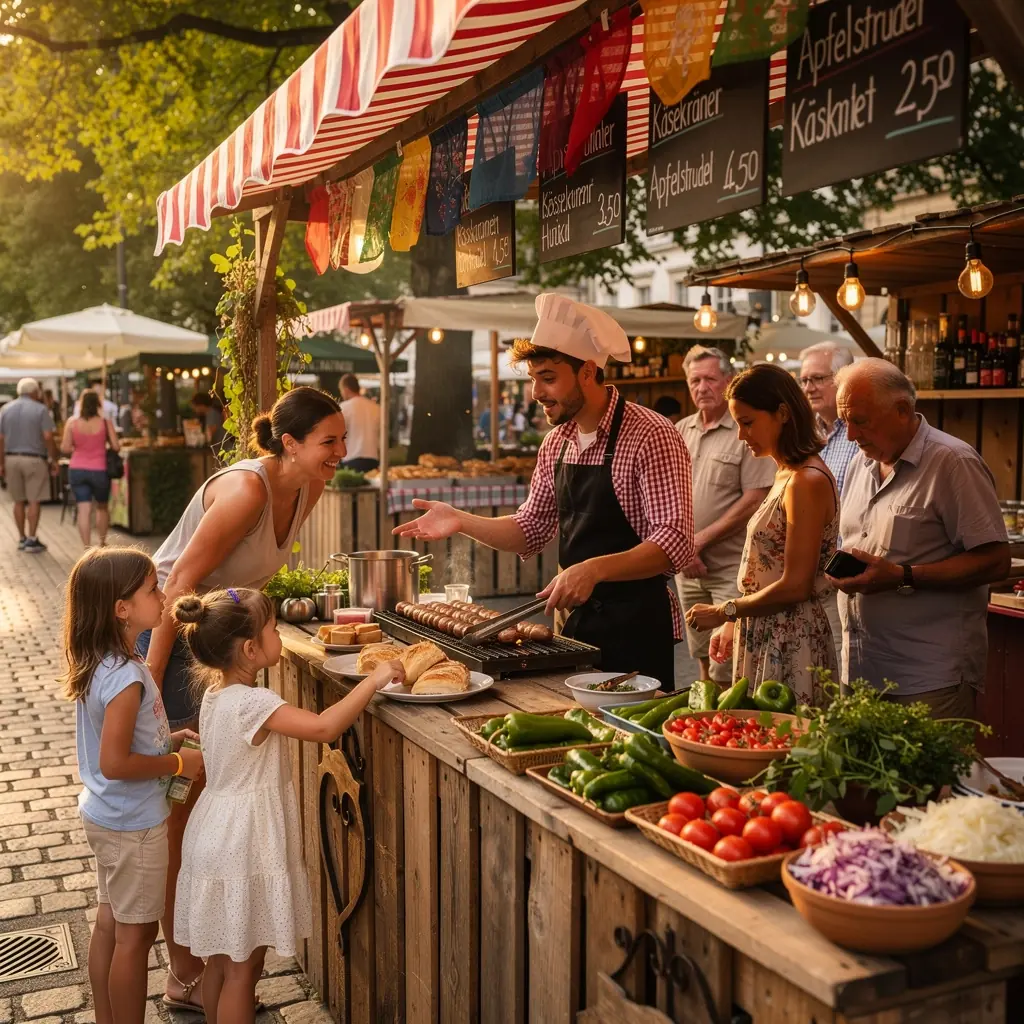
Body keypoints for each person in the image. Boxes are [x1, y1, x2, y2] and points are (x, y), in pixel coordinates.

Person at [138, 386, 345, 1012]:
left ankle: (214, 968)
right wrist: (149, 680)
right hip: (173, 634)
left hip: (220, 634)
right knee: (183, 811)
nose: (342, 452)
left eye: (342, 440)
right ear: (289, 443)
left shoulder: (309, 486)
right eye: (329, 441)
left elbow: (254, 573)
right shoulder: (247, 490)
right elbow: (179, 584)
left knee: (201, 803)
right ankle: (184, 975)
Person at [395, 293, 694, 687]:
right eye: (534, 379)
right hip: (575, 625)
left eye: (549, 378)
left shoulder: (651, 435)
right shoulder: (557, 443)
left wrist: (593, 569)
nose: (536, 393)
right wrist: (460, 520)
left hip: (637, 624)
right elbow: (530, 528)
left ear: (587, 372)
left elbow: (675, 542)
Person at [169, 588, 401, 1024]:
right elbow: (323, 726)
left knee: (222, 962)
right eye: (274, 629)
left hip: (212, 835)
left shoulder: (217, 697)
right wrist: (374, 679)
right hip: (243, 843)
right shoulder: (255, 703)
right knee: (244, 971)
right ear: (251, 649)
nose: (279, 635)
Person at [63, 548, 203, 1024]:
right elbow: (117, 761)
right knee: (137, 937)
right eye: (152, 589)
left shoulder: (103, 661)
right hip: (135, 824)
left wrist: (170, 737)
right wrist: (177, 762)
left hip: (106, 816)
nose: (163, 596)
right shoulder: (125, 677)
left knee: (110, 922)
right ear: (122, 609)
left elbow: (121, 741)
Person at [827, 359, 1010, 718]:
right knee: (861, 776)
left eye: (860, 420)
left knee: (931, 777)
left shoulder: (952, 462)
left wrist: (903, 576)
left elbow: (995, 561)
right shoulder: (858, 465)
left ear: (902, 410)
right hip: (860, 668)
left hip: (929, 677)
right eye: (843, 421)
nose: (849, 435)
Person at [686, 363, 839, 707]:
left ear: (782, 414)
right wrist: (735, 620)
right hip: (766, 626)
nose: (741, 435)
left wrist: (726, 611)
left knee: (783, 743)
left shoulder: (805, 480)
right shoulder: (786, 472)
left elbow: (796, 585)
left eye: (748, 422)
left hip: (790, 635)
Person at [675, 347, 774, 684]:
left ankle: (726, 726)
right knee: (701, 653)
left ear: (729, 382)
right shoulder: (680, 430)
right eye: (695, 380)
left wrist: (697, 541)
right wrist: (683, 547)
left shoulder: (745, 430)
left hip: (730, 566)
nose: (702, 387)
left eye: (710, 379)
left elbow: (756, 497)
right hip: (688, 567)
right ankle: (703, 722)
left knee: (727, 660)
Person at [798, 342, 859, 667]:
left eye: (818, 378)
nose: (809, 387)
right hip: (812, 575)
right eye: (804, 380)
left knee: (840, 662)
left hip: (848, 573)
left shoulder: (859, 434)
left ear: (843, 379)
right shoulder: (811, 433)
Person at [0, 377, 59, 553]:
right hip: (35, 459)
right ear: (34, 392)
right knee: (34, 500)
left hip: (11, 458)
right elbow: (48, 436)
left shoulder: (5, 409)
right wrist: (53, 459)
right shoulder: (41, 410)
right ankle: (32, 539)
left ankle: (21, 538)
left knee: (18, 501)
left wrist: (1, 462)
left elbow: (0, 439)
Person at [63, 391, 121, 548]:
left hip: (77, 469)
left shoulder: (72, 422)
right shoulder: (105, 422)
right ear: (98, 404)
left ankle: (87, 548)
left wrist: (79, 445)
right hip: (99, 469)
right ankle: (102, 543)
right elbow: (116, 446)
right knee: (102, 507)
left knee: (84, 509)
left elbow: (65, 447)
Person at [338, 372, 381, 472]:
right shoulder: (376, 408)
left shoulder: (343, 408)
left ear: (346, 389)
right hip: (373, 458)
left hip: (350, 459)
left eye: (341, 391)